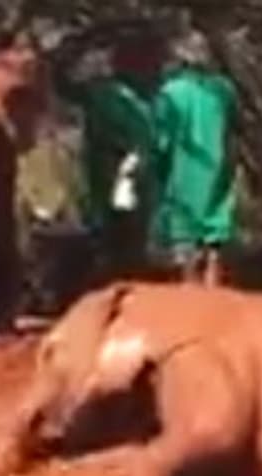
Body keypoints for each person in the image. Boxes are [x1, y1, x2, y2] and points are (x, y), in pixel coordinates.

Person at [54, 26, 165, 284]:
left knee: (133, 246)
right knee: (116, 243)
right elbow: (62, 83)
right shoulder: (102, 92)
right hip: (113, 181)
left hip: (142, 184)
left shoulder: (155, 98)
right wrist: (80, 42)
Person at [151, 32, 239, 286]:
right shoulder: (223, 89)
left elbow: (161, 142)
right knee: (214, 249)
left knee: (185, 249)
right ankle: (214, 301)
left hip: (182, 181)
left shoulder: (170, 93)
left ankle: (190, 308)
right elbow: (233, 131)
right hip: (219, 175)